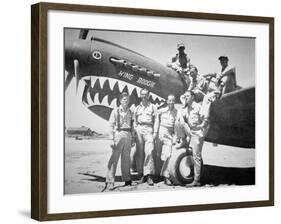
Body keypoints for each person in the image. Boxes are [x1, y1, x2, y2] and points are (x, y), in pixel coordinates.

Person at [174, 90, 210, 187]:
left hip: (197, 133)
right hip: (190, 131)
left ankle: (197, 180)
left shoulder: (198, 107)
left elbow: (206, 121)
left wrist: (202, 132)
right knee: (179, 120)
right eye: (185, 96)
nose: (186, 98)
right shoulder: (186, 108)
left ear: (193, 97)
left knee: (196, 156)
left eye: (188, 96)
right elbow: (182, 103)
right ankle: (183, 140)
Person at [104, 92, 134, 190]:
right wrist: (111, 139)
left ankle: (127, 179)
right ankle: (110, 181)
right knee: (114, 159)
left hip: (128, 135)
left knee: (126, 159)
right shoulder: (115, 111)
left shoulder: (130, 112)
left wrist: (133, 138)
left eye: (127, 99)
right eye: (124, 99)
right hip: (118, 135)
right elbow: (110, 125)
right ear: (120, 100)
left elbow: (132, 126)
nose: (126, 101)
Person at [134, 88, 158, 186]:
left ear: (148, 96)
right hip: (139, 129)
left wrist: (155, 132)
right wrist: (135, 130)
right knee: (139, 153)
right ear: (140, 95)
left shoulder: (153, 107)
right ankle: (141, 175)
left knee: (149, 151)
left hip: (149, 129)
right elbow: (134, 120)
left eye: (146, 95)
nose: (144, 96)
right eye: (142, 94)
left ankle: (149, 175)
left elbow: (156, 120)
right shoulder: (137, 108)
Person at [154, 94, 178, 186]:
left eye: (173, 100)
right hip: (160, 133)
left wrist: (175, 137)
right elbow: (155, 118)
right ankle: (156, 175)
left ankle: (166, 176)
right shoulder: (161, 111)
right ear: (167, 101)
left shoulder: (177, 112)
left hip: (169, 135)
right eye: (169, 100)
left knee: (168, 155)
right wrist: (155, 133)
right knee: (157, 155)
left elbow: (177, 126)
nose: (171, 102)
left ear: (174, 101)